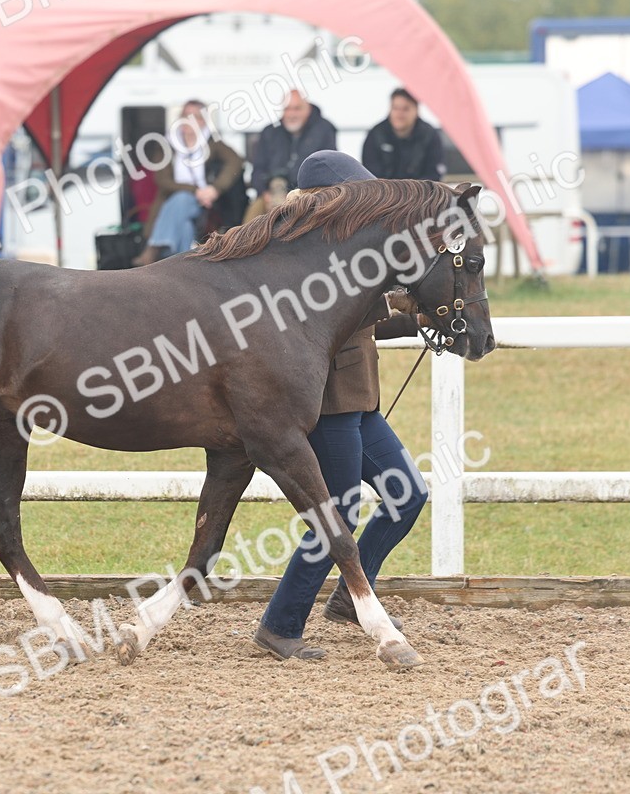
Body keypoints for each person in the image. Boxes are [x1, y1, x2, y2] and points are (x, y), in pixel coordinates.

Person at [253, 150, 428, 661]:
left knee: (408, 494)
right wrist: (398, 307)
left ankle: (354, 596)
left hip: (360, 399)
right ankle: (281, 623)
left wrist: (417, 315)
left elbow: (366, 317)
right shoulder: (305, 253)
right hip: (328, 402)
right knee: (339, 513)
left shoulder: (341, 246)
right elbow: (338, 319)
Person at [135, 100, 244, 266]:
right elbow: (162, 180)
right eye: (186, 116)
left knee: (184, 199)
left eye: (196, 117)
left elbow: (235, 161)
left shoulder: (212, 144)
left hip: (204, 207)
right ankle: (181, 265)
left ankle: (154, 248)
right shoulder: (167, 145)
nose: (189, 121)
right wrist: (194, 190)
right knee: (184, 221)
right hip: (171, 204)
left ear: (204, 121)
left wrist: (215, 189)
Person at [243, 90, 337, 222]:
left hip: (310, 196)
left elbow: (329, 168)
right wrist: (264, 193)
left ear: (308, 109)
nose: (291, 114)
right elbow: (258, 169)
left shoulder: (324, 129)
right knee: (249, 226)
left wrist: (304, 195)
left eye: (297, 109)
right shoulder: (270, 132)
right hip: (271, 195)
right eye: (287, 109)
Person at [361, 88, 445, 181]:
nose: (399, 114)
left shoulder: (430, 135)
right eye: (395, 108)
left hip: (421, 193)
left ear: (416, 110)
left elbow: (434, 174)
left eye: (405, 109)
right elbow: (369, 174)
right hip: (385, 193)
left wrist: (415, 190)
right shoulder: (375, 135)